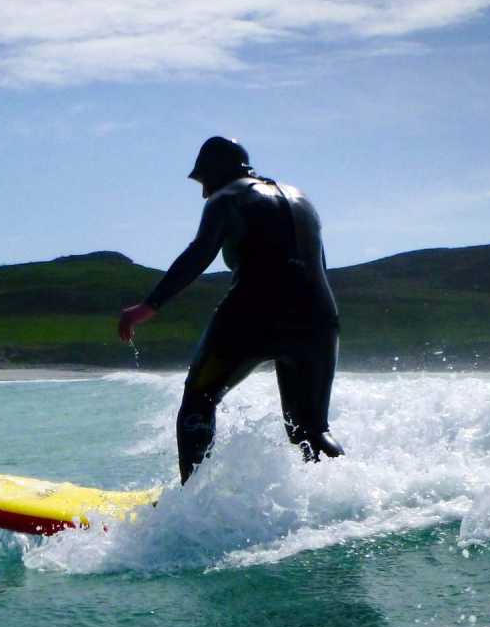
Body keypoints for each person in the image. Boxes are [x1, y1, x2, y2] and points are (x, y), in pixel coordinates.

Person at [118, 136, 343, 483]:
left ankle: (191, 501)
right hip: (319, 320)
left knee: (199, 400)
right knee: (311, 430)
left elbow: (199, 253)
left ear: (217, 172)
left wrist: (149, 306)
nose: (204, 193)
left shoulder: (228, 198)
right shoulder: (302, 200)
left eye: (203, 181)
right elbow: (319, 268)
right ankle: (346, 498)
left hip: (253, 315)